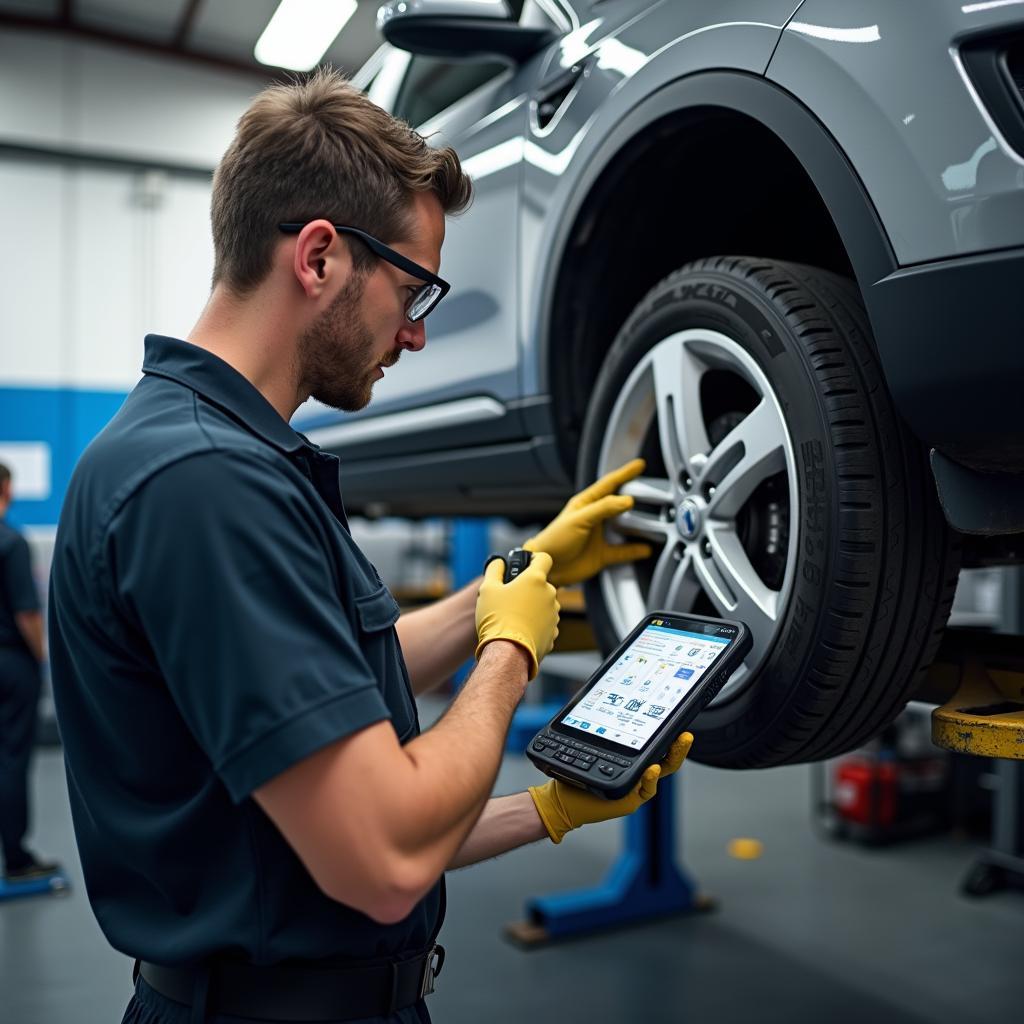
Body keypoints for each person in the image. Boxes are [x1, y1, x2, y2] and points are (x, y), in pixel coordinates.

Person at [48, 70, 692, 1024]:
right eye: (413, 285)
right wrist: (509, 652)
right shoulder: (203, 485)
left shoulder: (212, 455)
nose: (420, 333)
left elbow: (341, 776)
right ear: (318, 257)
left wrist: (544, 797)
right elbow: (383, 857)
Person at [0, 463, 60, 883]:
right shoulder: (12, 543)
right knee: (12, 759)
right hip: (10, 664)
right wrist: (41, 659)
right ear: (6, 487)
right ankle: (16, 859)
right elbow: (26, 613)